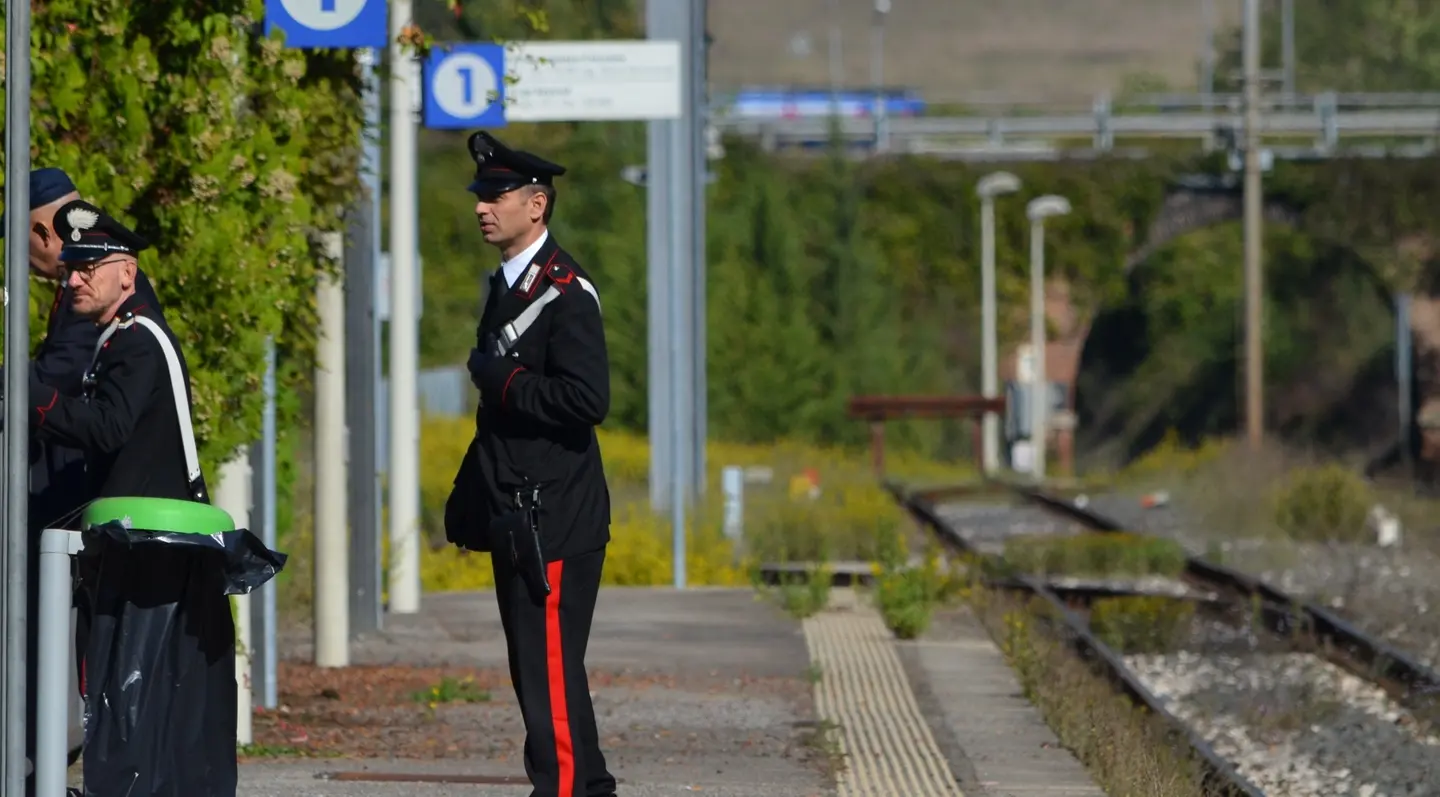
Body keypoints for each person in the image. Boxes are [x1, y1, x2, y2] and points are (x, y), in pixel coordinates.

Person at [445, 130, 616, 797]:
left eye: (497, 194)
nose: (483, 206)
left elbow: (587, 398)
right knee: (536, 669)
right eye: (481, 195)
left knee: (548, 668)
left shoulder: (566, 291)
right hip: (519, 510)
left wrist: (505, 379)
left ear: (536, 205)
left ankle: (569, 788)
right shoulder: (508, 283)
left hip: (556, 515)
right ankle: (582, 784)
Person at [0, 169, 164, 795]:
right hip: (77, 496)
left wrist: (17, 385)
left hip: (86, 502)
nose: (68, 277)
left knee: (74, 648)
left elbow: (74, 395)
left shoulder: (111, 310)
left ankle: (46, 767)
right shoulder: (90, 294)